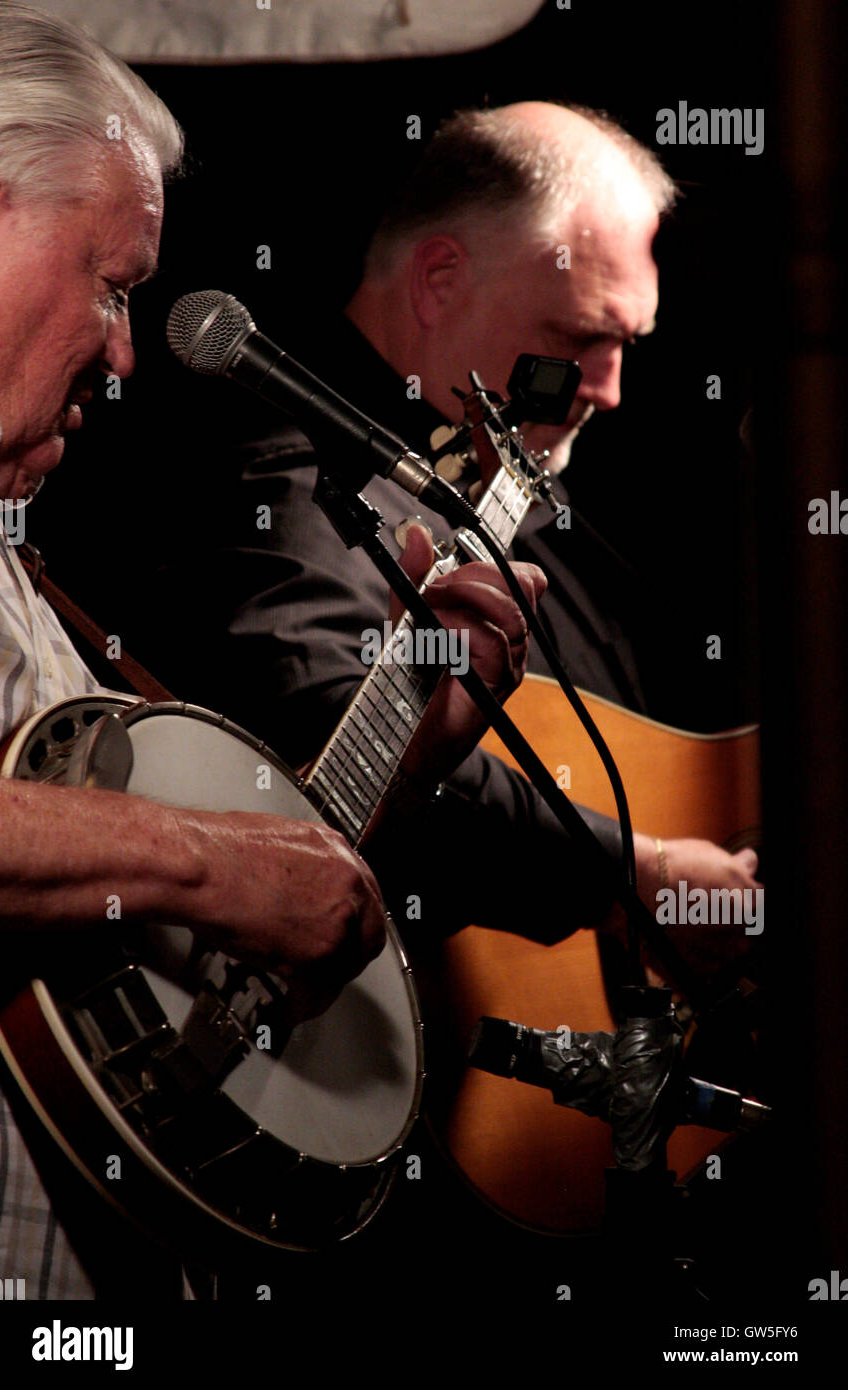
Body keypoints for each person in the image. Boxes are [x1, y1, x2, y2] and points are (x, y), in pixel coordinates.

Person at [0, 4, 540, 1299]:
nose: (124, 351)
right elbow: (200, 876)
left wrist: (412, 740)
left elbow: (206, 931)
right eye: (112, 285)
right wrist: (201, 863)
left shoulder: (20, 572)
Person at [152, 102, 761, 948]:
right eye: (581, 337)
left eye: (630, 342)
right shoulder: (293, 478)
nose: (611, 387)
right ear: (439, 282)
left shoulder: (512, 481)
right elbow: (322, 726)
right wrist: (636, 872)